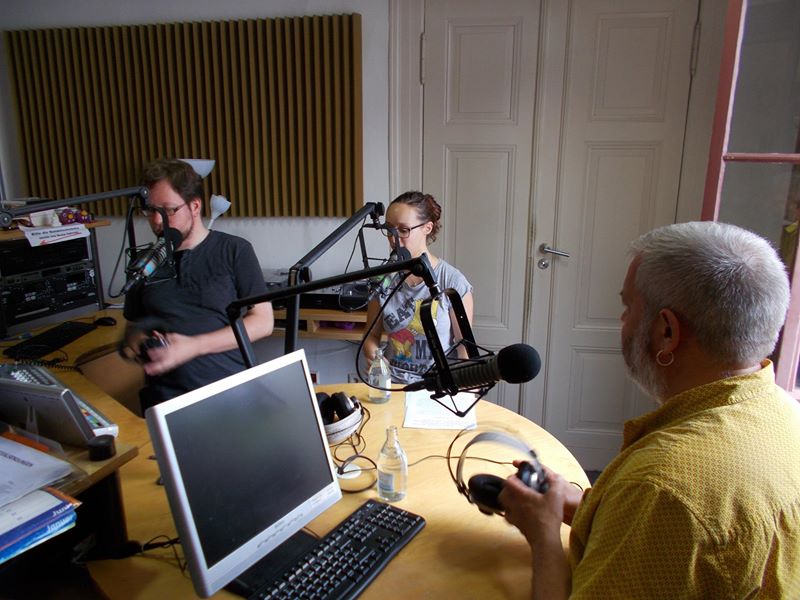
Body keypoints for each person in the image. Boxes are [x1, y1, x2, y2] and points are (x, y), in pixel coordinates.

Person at [499, 221, 800, 599]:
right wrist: (578, 505)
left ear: (667, 332)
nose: (622, 322)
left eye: (627, 307)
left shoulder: (660, 488)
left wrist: (542, 534)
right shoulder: (784, 413)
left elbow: (669, 509)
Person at [121, 158, 273, 411]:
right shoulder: (142, 264)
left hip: (229, 392)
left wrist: (192, 347)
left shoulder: (234, 250)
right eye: (150, 210)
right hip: (165, 401)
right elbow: (133, 327)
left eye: (168, 210)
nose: (158, 221)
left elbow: (263, 321)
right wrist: (142, 343)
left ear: (194, 206)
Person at [363, 191, 474, 384]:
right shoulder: (383, 280)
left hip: (438, 384)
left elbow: (464, 346)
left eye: (404, 230)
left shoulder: (452, 282)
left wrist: (465, 386)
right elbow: (371, 335)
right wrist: (375, 359)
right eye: (389, 230)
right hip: (392, 383)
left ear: (427, 228)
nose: (394, 239)